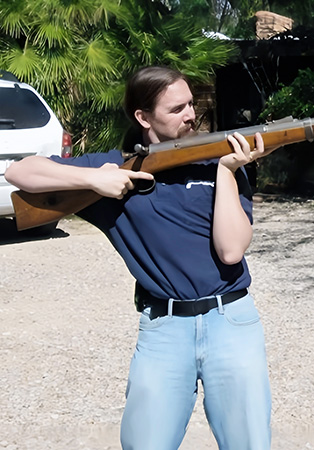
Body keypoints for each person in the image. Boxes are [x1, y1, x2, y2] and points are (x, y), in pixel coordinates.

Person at [6, 66, 273, 450]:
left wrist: (228, 172)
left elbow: (231, 251)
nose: (190, 115)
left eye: (190, 104)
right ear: (143, 118)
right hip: (164, 328)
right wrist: (93, 179)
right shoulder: (117, 168)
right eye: (176, 109)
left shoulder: (219, 159)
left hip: (232, 320)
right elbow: (20, 171)